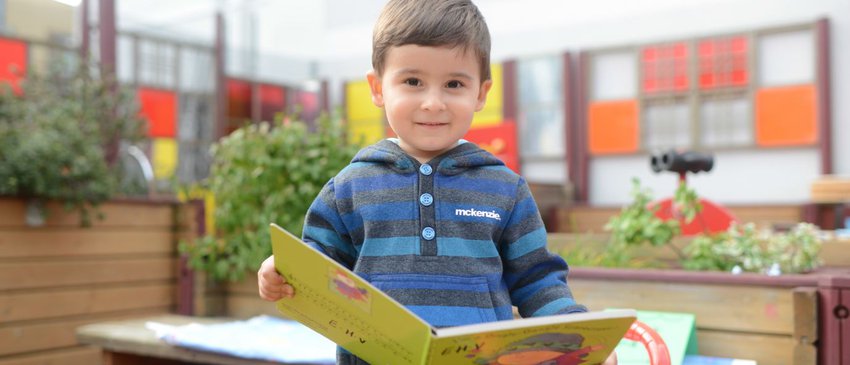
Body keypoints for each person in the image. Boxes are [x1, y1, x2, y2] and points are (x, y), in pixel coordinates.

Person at [258, 1, 616, 364]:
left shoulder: (506, 190)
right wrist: (282, 271)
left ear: (480, 93)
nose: (433, 103)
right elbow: (318, 263)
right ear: (378, 87)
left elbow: (537, 280)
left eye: (454, 84)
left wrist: (578, 335)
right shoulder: (348, 187)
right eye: (413, 81)